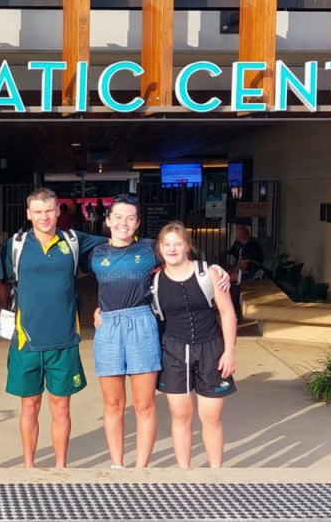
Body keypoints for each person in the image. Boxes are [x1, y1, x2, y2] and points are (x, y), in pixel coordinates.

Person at [90, 196, 230, 469]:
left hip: (142, 325)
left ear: (138, 222)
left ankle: (141, 468)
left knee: (144, 404)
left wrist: (214, 268)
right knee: (113, 403)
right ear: (107, 220)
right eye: (118, 217)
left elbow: (178, 254)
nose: (123, 223)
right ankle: (117, 466)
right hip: (109, 328)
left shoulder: (149, 248)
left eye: (131, 218)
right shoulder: (93, 251)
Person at [0, 187, 104, 468]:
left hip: (64, 341)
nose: (44, 217)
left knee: (61, 407)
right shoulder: (15, 245)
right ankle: (29, 466)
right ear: (29, 214)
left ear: (58, 212)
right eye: (38, 212)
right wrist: (9, 307)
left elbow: (117, 243)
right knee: (29, 407)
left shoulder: (74, 240)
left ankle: (60, 467)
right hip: (25, 342)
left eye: (49, 211)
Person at [155, 221, 237, 468]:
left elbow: (227, 313)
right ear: (159, 248)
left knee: (211, 417)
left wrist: (229, 352)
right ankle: (184, 473)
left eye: (177, 244)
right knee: (180, 416)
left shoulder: (208, 274)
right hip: (174, 351)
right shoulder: (155, 281)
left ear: (187, 246)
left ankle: (215, 473)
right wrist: (99, 311)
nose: (172, 249)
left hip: (211, 349)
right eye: (167, 244)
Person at [226, 225, 264, 322]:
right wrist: (232, 270)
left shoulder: (250, 245)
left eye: (238, 234)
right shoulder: (241, 245)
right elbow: (239, 262)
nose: (237, 236)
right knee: (225, 276)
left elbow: (244, 264)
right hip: (244, 270)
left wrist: (233, 272)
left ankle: (231, 311)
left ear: (243, 235)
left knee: (227, 279)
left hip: (252, 272)